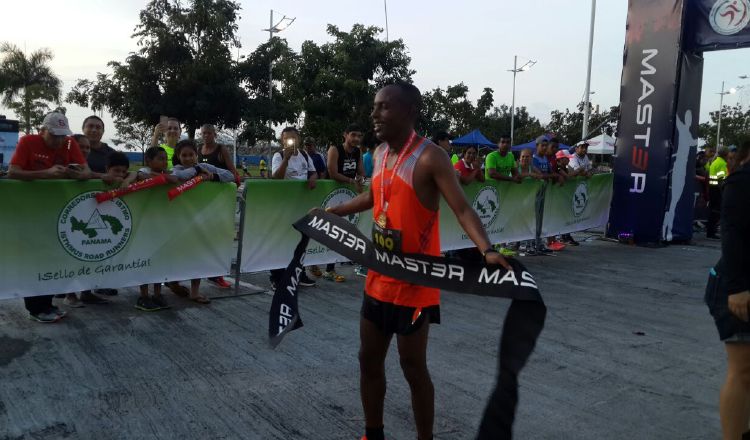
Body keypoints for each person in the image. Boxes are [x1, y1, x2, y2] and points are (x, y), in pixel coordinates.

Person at [325, 82, 511, 440]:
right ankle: (373, 433)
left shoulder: (430, 157)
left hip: (415, 284)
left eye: (383, 107)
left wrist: (486, 249)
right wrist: (338, 210)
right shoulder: (379, 153)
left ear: (409, 112)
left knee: (412, 367)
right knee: (368, 360)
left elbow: (461, 207)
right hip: (378, 278)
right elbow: (373, 195)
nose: (374, 115)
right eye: (374, 107)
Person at [8, 112, 92, 322]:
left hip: (58, 212)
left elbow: (87, 172)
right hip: (28, 212)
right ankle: (36, 308)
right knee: (33, 259)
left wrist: (76, 174)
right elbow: (13, 172)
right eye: (55, 135)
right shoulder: (28, 142)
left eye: (63, 135)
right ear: (42, 130)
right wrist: (45, 174)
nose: (60, 140)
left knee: (50, 257)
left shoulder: (70, 144)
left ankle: (46, 303)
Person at [705, 139, 750, 440]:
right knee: (743, 369)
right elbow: (732, 232)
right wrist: (738, 288)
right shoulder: (742, 180)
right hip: (738, 286)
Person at [318, 124, 367, 282]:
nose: (356, 139)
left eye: (359, 136)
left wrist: (359, 179)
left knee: (340, 231)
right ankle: (318, 264)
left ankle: (329, 269)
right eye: (353, 135)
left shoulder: (358, 151)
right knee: (326, 229)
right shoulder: (335, 149)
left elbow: (361, 171)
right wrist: (352, 181)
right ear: (345, 135)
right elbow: (333, 173)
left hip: (347, 195)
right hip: (330, 194)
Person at [270, 127, 318, 288]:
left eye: (293, 138)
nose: (290, 141)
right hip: (283, 206)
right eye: (286, 138)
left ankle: (300, 274)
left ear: (299, 139)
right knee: (280, 241)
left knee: (300, 240)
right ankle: (277, 278)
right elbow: (276, 177)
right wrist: (286, 159)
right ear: (282, 141)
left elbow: (313, 172)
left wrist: (313, 177)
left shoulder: (304, 154)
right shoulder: (279, 155)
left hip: (301, 205)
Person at [198, 124, 237, 289]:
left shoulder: (222, 150)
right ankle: (202, 270)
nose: (205, 136)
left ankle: (217, 274)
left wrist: (215, 177)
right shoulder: (199, 150)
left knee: (218, 237)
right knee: (201, 236)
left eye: (208, 133)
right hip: (201, 199)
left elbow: (233, 174)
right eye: (203, 133)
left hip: (219, 200)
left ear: (215, 134)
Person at [707, 146, 730, 239]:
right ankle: (712, 233)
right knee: (716, 212)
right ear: (725, 154)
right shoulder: (722, 163)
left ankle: (710, 232)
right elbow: (721, 179)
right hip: (717, 190)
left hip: (712, 188)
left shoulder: (715, 162)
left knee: (713, 211)